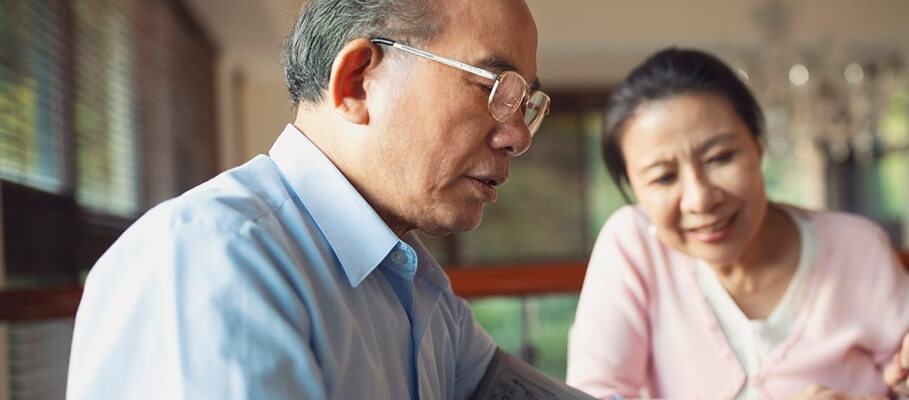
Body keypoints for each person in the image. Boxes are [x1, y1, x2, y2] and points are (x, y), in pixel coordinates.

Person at [66, 1, 590, 399]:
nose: (520, 136)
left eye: (525, 103)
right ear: (357, 82)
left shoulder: (416, 291)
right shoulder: (212, 263)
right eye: (496, 87)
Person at [566, 48, 909, 400]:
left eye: (720, 158)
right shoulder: (633, 245)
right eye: (664, 177)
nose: (701, 197)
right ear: (635, 189)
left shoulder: (858, 249)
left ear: (757, 147)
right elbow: (594, 394)